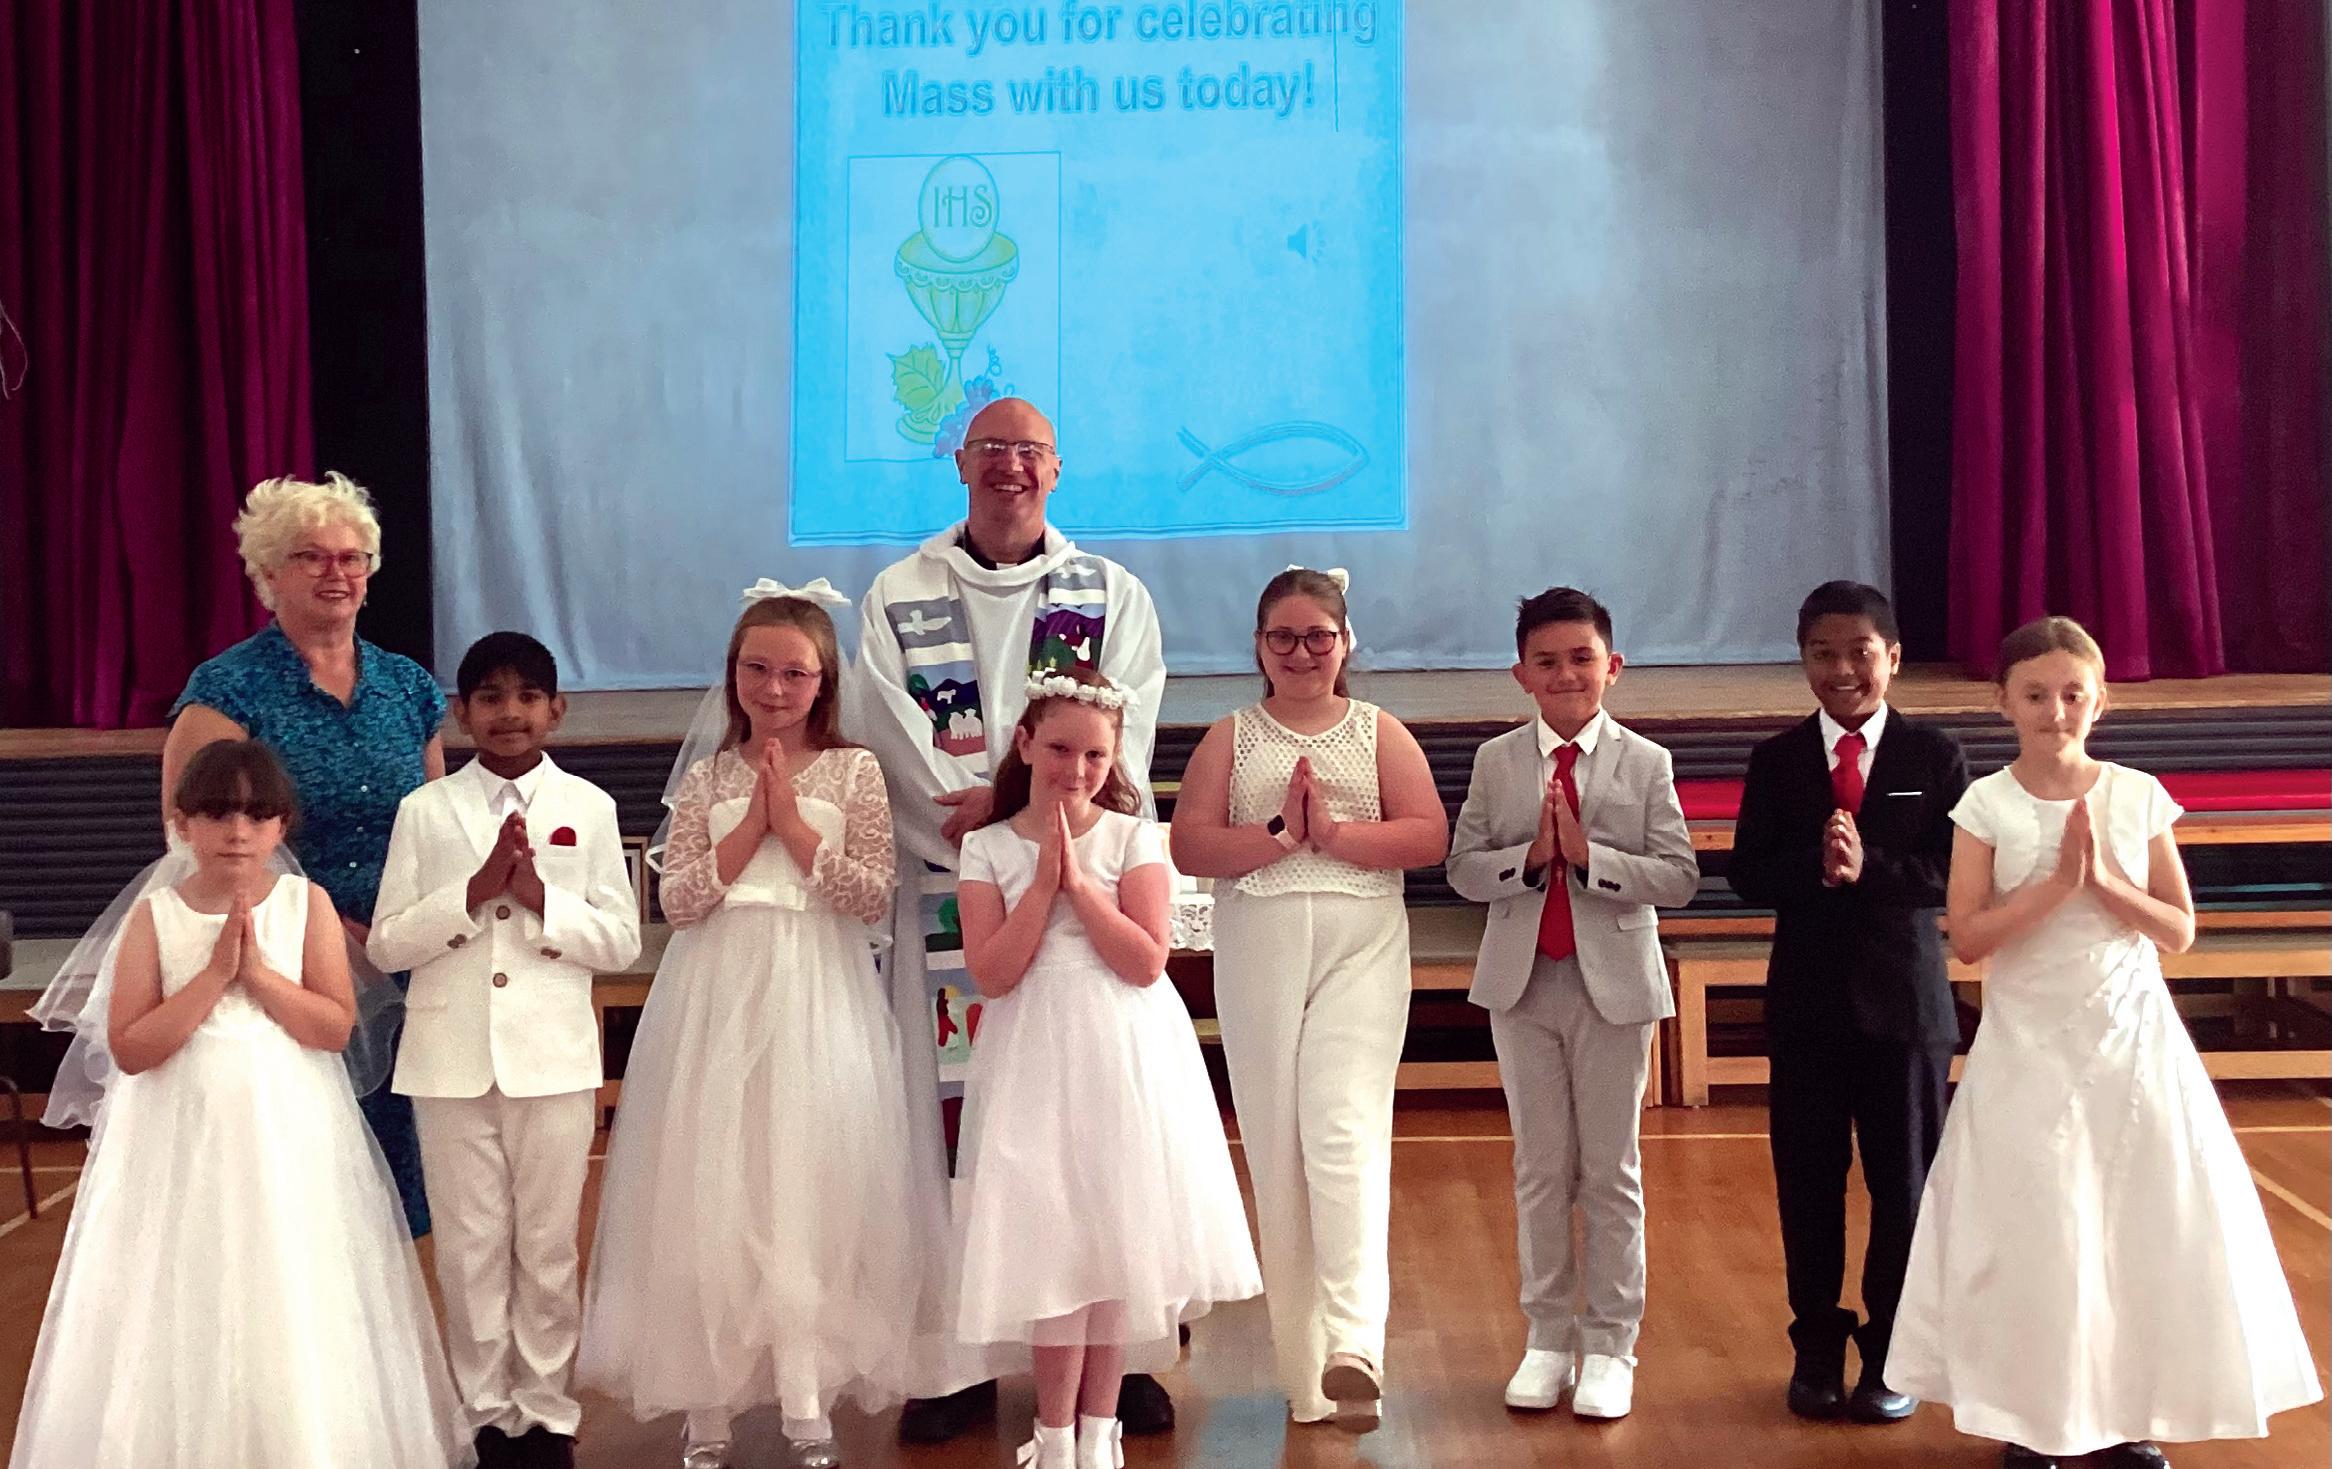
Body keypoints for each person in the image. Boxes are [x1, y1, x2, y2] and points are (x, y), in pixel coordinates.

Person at [1886, 616, 2320, 1468]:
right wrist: (2057, 884)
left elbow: (2178, 929)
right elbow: (1969, 936)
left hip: (2130, 1041)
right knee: (2036, 1223)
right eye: (2036, 695)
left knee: (2134, 1222)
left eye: (2072, 694)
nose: (2055, 712)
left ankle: (2128, 1411)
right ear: (2003, 702)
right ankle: (2030, 1415)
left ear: (2100, 701)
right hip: (2029, 1041)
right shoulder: (1986, 804)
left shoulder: (2136, 792)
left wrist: (2108, 883)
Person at [845, 399, 1174, 1441]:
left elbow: (1121, 728)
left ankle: (1122, 1364)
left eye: (1030, 452)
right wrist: (992, 814)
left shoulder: (1109, 593)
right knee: (967, 1137)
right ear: (960, 463)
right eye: (992, 450)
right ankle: (957, 1361)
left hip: (1085, 897)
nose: (1011, 468)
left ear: (1056, 469)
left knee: (1102, 1146)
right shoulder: (900, 594)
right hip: (959, 881)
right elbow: (886, 721)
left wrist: (1030, 803)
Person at [9, 740, 468, 1469]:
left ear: (281, 826)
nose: (238, 832)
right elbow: (132, 1046)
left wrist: (256, 974)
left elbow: (332, 1026)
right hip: (174, 1137)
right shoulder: (155, 916)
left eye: (257, 816)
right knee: (180, 1286)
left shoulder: (305, 905)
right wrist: (214, 974)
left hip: (288, 1129)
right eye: (219, 814)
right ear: (183, 823)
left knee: (288, 1279)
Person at [579, 583, 928, 1469]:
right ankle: (708, 1402)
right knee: (712, 1185)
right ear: (733, 673)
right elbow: (680, 898)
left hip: (818, 990)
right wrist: (752, 827)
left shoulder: (854, 771)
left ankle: (807, 1395)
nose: (774, 688)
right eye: (757, 669)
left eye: (794, 673)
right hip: (718, 990)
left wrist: (795, 828)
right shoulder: (708, 776)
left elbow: (870, 893)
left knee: (807, 1183)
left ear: (824, 680)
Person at [954, 669, 1260, 1469]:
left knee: (1117, 1234)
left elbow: (1145, 959)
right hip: (1033, 1049)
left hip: (1124, 1046)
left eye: (1095, 755)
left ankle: (1101, 1432)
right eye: (1061, 749)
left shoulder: (1131, 838)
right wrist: (1041, 885)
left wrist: (1080, 887)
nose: (1078, 769)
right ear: (1025, 743)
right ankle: (1054, 1434)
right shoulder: (988, 846)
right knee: (1054, 1238)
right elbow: (993, 971)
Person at [1169, 567, 1447, 1429]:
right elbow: (1190, 846)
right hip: (1258, 946)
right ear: (1258, 647)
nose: (1301, 653)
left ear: (1345, 642)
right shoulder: (1230, 735)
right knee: (1278, 1151)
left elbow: (1427, 835)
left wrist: (1334, 834)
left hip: (1361, 948)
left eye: (1317, 637)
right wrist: (1282, 835)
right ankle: (1305, 1372)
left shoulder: (1378, 729)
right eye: (1282, 638)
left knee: (1343, 1131)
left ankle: (1356, 1343)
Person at [370, 632, 642, 1469]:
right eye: (489, 696)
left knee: (548, 1245)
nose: (509, 712)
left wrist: (537, 896)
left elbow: (621, 939)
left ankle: (548, 1412)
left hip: (553, 1059)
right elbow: (386, 942)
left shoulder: (589, 807)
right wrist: (473, 891)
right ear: (461, 712)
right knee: (469, 1246)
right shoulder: (425, 811)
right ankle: (487, 1413)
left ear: (556, 709)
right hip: (448, 1059)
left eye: (527, 696)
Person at [163, 472, 447, 1234]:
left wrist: (400, 936)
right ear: (267, 572)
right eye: (311, 556)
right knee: (302, 1199)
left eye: (352, 557)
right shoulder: (226, 690)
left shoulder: (409, 687)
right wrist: (322, 935)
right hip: (279, 965)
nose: (336, 573)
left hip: (404, 963)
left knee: (403, 1194)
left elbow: (437, 827)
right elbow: (193, 839)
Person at [1444, 587, 1697, 1422]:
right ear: (1521, 673)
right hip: (1523, 984)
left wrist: (1593, 859)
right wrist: (1529, 857)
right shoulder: (1497, 761)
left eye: (1581, 658)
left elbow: (1679, 875)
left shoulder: (1646, 761)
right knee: (1541, 1167)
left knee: (1611, 1169)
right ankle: (1548, 1337)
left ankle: (1612, 1342)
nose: (1565, 674)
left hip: (1613, 987)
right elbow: (1463, 868)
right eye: (1546, 661)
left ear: (1612, 666)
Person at [1727, 581, 1968, 1422]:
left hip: (1906, 1010)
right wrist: (1816, 865)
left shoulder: (1934, 755)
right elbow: (1747, 870)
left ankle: (1893, 1352)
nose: (1841, 669)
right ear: (1803, 660)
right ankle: (1816, 1348)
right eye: (1822, 653)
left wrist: (1872, 870)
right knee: (1808, 1185)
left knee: (1905, 1187)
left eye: (1859, 652)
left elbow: (1953, 871)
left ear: (1892, 657)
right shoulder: (1777, 758)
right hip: (1806, 1006)